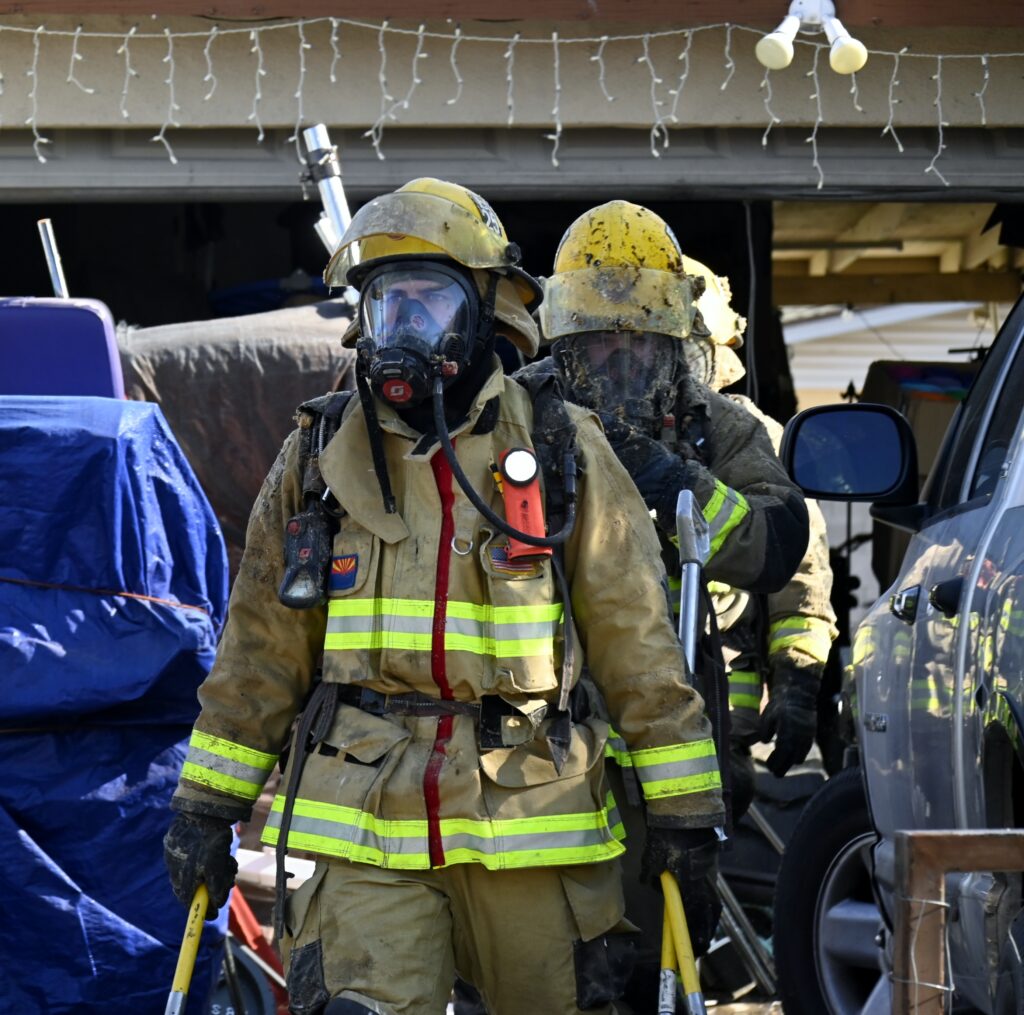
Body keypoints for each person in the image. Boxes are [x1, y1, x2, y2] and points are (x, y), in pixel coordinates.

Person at [162, 179, 726, 1015]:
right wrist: (209, 805)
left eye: (428, 303)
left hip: (533, 823)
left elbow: (636, 644)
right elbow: (259, 651)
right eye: (387, 305)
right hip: (364, 831)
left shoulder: (561, 447)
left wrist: (684, 817)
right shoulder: (318, 460)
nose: (404, 328)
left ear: (484, 310)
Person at [517, 200, 811, 1010]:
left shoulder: (718, 427)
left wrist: (680, 481)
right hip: (533, 734)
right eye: (597, 343)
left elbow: (775, 543)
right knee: (527, 959)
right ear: (562, 343)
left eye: (638, 342)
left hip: (669, 735)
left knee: (651, 955)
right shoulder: (514, 414)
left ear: (674, 342)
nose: (618, 360)